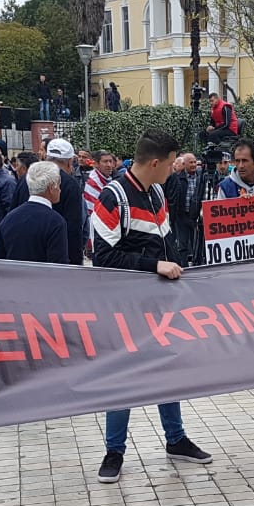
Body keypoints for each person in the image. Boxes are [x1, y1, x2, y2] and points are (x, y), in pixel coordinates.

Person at [91, 130, 212, 484]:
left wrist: (185, 274)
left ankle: (175, 440)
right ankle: (114, 451)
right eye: (172, 162)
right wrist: (153, 266)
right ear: (156, 162)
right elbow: (103, 257)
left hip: (160, 302)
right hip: (123, 306)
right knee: (123, 378)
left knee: (167, 370)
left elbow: (167, 242)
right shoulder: (113, 197)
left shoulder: (157, 192)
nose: (175, 169)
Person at [14, 138, 84, 263]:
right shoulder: (70, 184)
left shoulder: (27, 178)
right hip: (56, 255)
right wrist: (76, 263)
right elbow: (74, 229)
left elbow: (13, 210)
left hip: (21, 255)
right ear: (69, 161)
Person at [0, 161, 69, 264]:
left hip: (12, 278)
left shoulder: (9, 218)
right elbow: (58, 265)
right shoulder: (55, 222)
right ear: (51, 187)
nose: (60, 190)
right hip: (41, 278)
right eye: (59, 185)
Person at [164, 153, 205, 265]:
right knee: (182, 245)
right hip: (181, 216)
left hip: (196, 216)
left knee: (196, 244)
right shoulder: (177, 177)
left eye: (194, 162)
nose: (193, 164)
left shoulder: (202, 177)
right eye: (190, 162)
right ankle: (184, 266)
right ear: (184, 164)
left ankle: (198, 265)